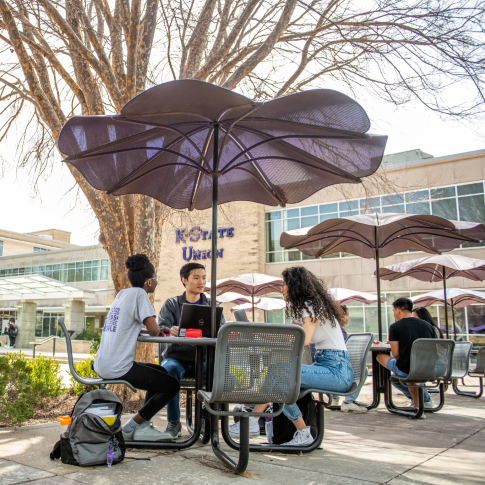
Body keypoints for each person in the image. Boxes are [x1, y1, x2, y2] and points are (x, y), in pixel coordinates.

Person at [229, 266, 353, 446]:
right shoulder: (305, 307)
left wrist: (261, 335)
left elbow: (302, 339)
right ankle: (299, 432)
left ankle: (255, 422)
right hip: (326, 365)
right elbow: (288, 335)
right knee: (279, 376)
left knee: (278, 374)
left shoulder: (310, 306)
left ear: (295, 286)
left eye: (285, 284)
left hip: (337, 371)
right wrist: (258, 334)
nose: (282, 289)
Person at [94, 254, 180, 441]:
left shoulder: (123, 294)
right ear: (149, 282)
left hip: (103, 363)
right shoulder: (140, 295)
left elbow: (127, 324)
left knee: (160, 371)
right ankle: (132, 426)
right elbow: (154, 331)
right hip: (118, 367)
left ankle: (143, 425)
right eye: (156, 279)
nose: (157, 282)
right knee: (172, 385)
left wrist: (155, 329)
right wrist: (160, 330)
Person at [158, 262, 226, 439]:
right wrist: (169, 330)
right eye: (196, 277)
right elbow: (162, 328)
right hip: (177, 359)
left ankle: (205, 417)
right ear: (184, 280)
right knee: (167, 370)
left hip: (204, 360)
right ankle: (173, 424)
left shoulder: (212, 305)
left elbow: (224, 330)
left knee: (221, 374)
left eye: (204, 277)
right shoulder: (172, 304)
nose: (201, 281)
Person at [376, 297, 436, 412]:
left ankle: (418, 403)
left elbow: (396, 354)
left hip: (407, 369)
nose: (393, 314)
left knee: (380, 356)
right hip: (428, 369)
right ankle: (420, 401)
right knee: (408, 371)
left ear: (398, 310)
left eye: (393, 311)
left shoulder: (395, 326)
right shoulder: (428, 326)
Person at [333, 305, 368, 413]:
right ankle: (348, 401)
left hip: (319, 365)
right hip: (334, 367)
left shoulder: (326, 328)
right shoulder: (339, 331)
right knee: (363, 371)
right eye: (345, 315)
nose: (347, 319)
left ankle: (334, 399)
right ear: (337, 315)